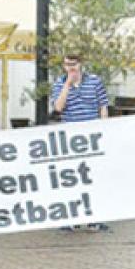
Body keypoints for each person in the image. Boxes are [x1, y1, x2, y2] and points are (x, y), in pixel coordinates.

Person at [51, 54, 110, 231]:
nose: (71, 68)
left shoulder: (94, 82)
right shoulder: (59, 84)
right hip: (70, 139)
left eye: (74, 64)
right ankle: (71, 217)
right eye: (67, 65)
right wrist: (67, 85)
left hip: (91, 137)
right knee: (71, 179)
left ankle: (94, 217)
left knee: (93, 178)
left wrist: (103, 129)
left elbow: (103, 106)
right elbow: (58, 108)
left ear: (80, 65)